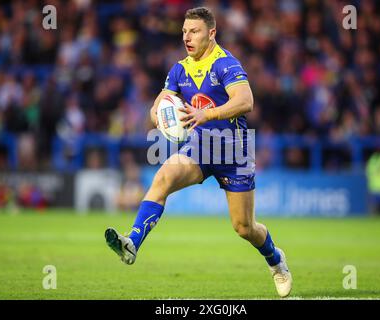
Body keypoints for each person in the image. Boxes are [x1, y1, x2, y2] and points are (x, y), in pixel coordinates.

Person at [104, 7, 292, 298]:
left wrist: (209, 115)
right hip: (200, 148)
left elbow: (246, 101)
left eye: (194, 31)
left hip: (234, 153)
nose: (187, 37)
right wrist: (157, 111)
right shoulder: (180, 68)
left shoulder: (226, 65)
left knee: (244, 228)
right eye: (184, 32)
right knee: (163, 177)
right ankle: (132, 243)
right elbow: (164, 97)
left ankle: (275, 259)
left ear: (211, 33)